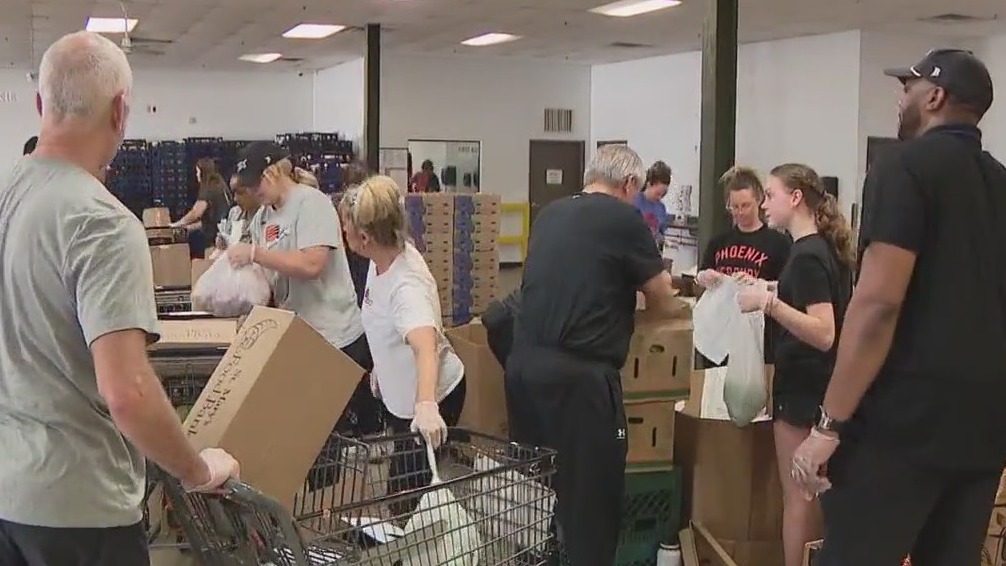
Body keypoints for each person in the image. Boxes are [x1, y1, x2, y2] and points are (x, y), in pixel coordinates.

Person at [0, 31, 239, 565]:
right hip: (81, 510)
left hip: (9, 495)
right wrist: (198, 471)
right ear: (120, 111)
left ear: (40, 104)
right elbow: (127, 393)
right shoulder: (101, 222)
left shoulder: (8, 197)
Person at [789, 49, 1006, 566]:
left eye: (908, 87)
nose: (899, 96)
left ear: (935, 97)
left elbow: (878, 304)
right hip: (983, 429)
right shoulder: (1001, 182)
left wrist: (828, 425)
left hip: (902, 427)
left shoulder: (902, 167)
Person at [506, 144, 679, 566]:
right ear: (630, 184)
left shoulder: (550, 214)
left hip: (524, 368)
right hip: (581, 383)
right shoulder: (623, 218)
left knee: (539, 493)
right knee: (593, 502)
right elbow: (661, 295)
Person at [733, 164, 854, 566]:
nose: (765, 204)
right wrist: (772, 289)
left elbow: (824, 331)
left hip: (803, 391)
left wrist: (769, 304)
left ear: (796, 197)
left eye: (770, 195)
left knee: (799, 497)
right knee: (815, 495)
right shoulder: (825, 250)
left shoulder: (806, 256)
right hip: (824, 388)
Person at [226, 142, 381, 441]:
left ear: (273, 173)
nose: (254, 192)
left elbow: (312, 264)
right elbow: (270, 277)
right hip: (300, 336)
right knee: (314, 433)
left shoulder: (312, 204)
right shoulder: (263, 219)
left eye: (256, 183)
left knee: (341, 434)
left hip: (334, 338)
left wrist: (256, 253)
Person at [337, 176, 466, 499]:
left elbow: (425, 347)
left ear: (364, 237)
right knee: (406, 486)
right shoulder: (383, 257)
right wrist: (383, 368)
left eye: (345, 227)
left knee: (405, 496)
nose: (343, 232)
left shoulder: (407, 287)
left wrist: (426, 405)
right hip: (402, 398)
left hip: (431, 398)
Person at [695, 166, 792, 367]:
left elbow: (787, 288)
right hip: (721, 332)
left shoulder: (779, 243)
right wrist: (705, 277)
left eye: (746, 205)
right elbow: (701, 277)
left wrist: (759, 285)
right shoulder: (719, 241)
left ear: (759, 200)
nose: (740, 212)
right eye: (734, 207)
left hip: (758, 337)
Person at [172, 157, 231, 256]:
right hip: (224, 236)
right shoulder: (219, 186)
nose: (196, 175)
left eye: (197, 172)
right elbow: (208, 221)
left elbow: (196, 213)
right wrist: (188, 228)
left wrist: (178, 224)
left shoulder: (208, 189)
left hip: (215, 241)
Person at [633, 160, 672, 248]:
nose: (659, 197)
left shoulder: (661, 208)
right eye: (657, 193)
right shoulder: (634, 201)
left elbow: (660, 233)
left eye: (663, 194)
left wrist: (664, 241)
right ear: (649, 184)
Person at [215, 174, 261, 248]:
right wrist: (222, 242)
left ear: (256, 190)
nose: (235, 199)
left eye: (240, 193)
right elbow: (227, 237)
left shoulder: (265, 216)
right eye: (234, 193)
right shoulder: (234, 212)